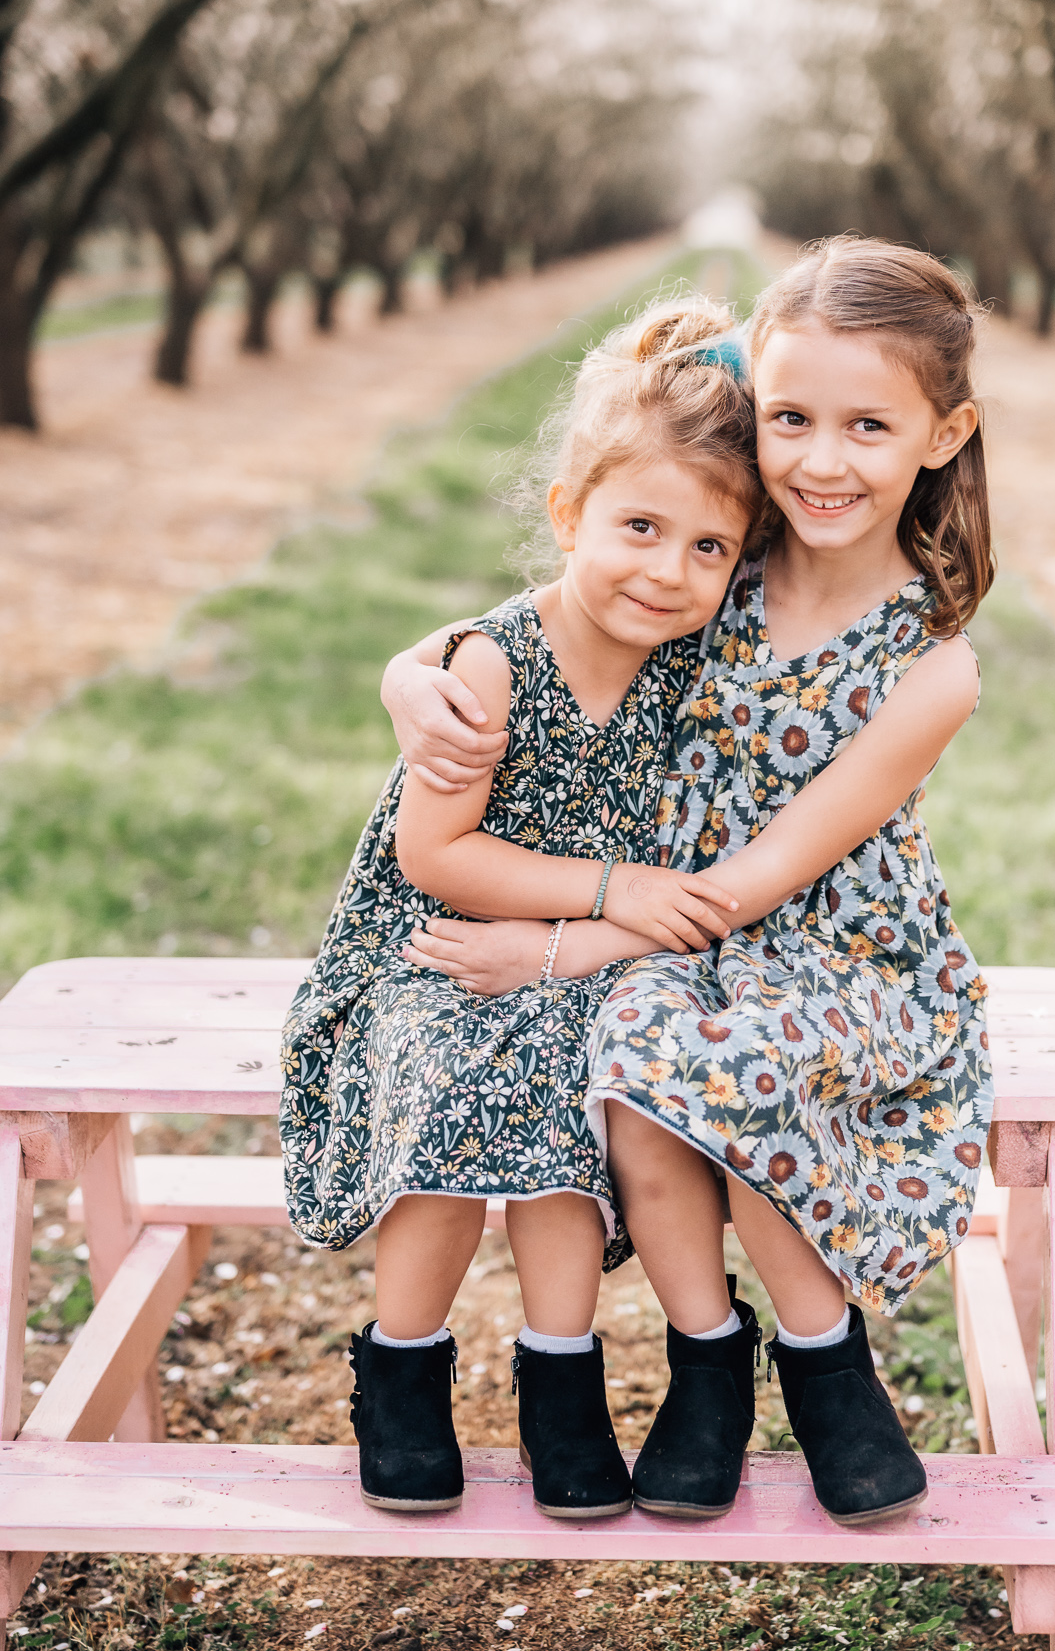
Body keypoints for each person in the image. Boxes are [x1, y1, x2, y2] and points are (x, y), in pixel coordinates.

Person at [384, 236, 995, 1528]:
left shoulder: (929, 665)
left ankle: (826, 1364)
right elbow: (551, 603)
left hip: (833, 951)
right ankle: (705, 1362)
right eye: (790, 418)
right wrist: (413, 668)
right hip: (675, 941)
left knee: (722, 1060)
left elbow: (763, 877)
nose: (819, 459)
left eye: (867, 426)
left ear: (943, 435)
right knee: (643, 1073)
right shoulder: (715, 564)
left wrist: (552, 950)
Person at [279, 296, 762, 1521]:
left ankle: (561, 1376)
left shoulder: (693, 671)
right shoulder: (494, 662)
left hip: (591, 959)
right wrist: (613, 891)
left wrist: (576, 941)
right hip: (436, 946)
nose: (668, 568)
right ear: (567, 515)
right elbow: (436, 854)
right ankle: (400, 1365)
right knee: (447, 1074)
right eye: (639, 526)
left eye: (708, 547)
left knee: (570, 1088)